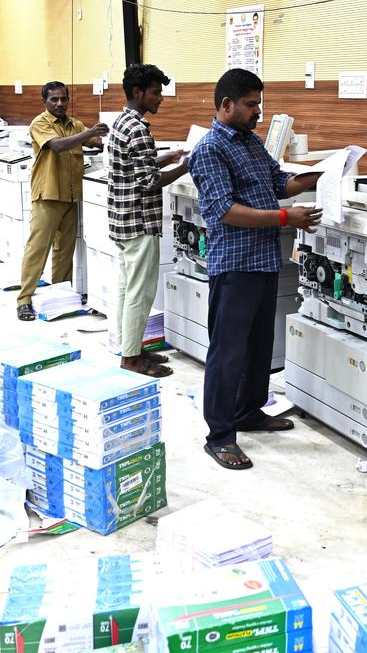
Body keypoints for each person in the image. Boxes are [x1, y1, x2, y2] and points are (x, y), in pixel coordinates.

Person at [188, 68, 322, 471]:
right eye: (251, 104)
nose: (258, 112)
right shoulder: (210, 149)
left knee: (259, 347)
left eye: (259, 104)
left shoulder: (249, 142)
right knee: (228, 353)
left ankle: (249, 412)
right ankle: (220, 435)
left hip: (265, 261)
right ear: (226, 105)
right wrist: (287, 219)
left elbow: (277, 182)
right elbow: (224, 211)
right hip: (236, 264)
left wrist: (321, 174)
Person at [107, 64, 188, 377]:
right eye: (156, 93)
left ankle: (131, 348)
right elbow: (148, 182)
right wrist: (186, 166)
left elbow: (133, 165)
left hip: (121, 219)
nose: (161, 99)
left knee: (127, 289)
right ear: (138, 92)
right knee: (139, 293)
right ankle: (131, 358)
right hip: (139, 222)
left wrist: (169, 157)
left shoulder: (122, 122)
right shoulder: (139, 129)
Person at [17, 81, 108, 321]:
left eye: (63, 99)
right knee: (38, 249)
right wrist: (90, 133)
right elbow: (56, 146)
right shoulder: (40, 123)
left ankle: (60, 295)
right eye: (54, 100)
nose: (59, 104)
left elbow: (96, 142)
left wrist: (109, 136)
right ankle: (24, 299)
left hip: (71, 195)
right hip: (48, 194)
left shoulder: (74, 124)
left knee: (64, 251)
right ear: (44, 101)